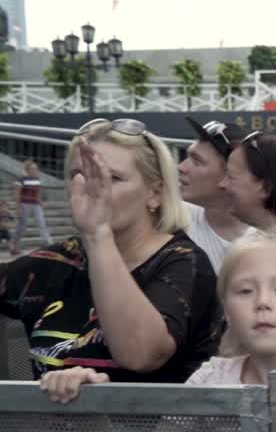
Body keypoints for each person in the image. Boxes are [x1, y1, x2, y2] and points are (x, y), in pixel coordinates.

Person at [40, 233, 276, 402]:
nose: (262, 302)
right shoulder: (212, 378)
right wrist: (86, 399)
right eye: (245, 291)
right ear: (227, 312)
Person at [1, 118, 221, 383]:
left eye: (112, 178)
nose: (92, 188)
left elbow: (141, 354)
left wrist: (97, 234)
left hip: (149, 423)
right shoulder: (57, 260)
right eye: (79, 175)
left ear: (155, 194)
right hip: (50, 425)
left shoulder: (183, 263)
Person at [180, 117, 250, 273]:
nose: (182, 167)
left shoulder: (268, 240)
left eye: (196, 161)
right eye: (188, 157)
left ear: (229, 175)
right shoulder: (172, 219)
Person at [10, 159, 52, 255]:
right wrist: (18, 208)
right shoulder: (20, 179)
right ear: (27, 170)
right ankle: (14, 243)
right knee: (22, 226)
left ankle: (48, 243)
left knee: (42, 224)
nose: (35, 171)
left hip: (36, 205)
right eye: (33, 169)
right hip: (24, 204)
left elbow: (38, 192)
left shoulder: (38, 179)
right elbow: (17, 194)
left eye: (36, 169)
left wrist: (41, 202)